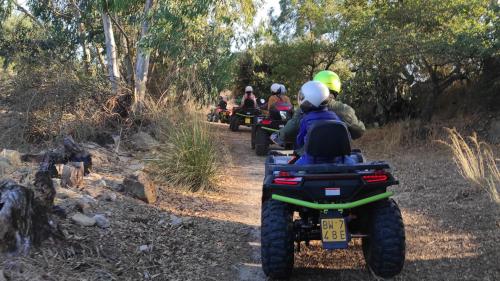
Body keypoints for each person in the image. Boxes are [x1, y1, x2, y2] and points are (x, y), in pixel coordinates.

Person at [275, 71, 365, 144]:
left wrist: (278, 136)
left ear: (316, 85)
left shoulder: (304, 109)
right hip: (340, 158)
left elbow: (288, 132)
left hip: (309, 158)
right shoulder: (345, 109)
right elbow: (358, 131)